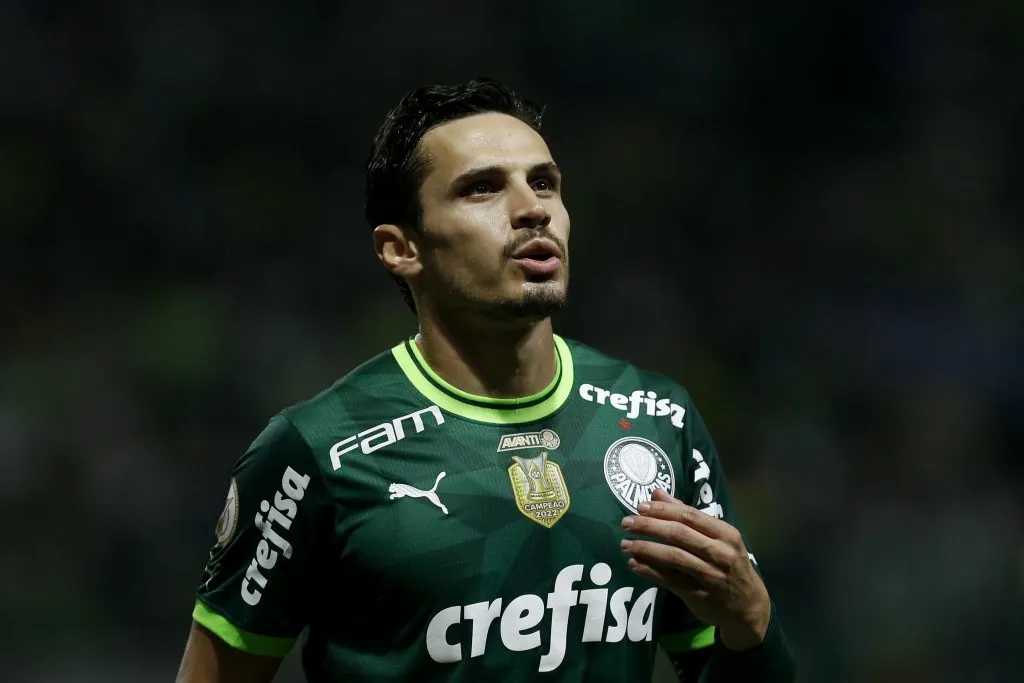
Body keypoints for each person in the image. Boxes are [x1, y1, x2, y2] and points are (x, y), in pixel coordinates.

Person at [175, 78, 796, 683]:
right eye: (481, 189)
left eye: (545, 183)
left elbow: (729, 660)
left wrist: (753, 623)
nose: (533, 209)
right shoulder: (315, 450)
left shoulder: (659, 418)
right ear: (401, 249)